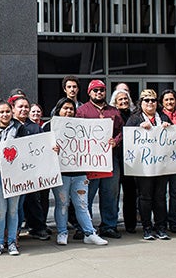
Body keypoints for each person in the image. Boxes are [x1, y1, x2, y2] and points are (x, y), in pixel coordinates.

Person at [46, 98, 108, 247]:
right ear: (58, 110)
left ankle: (89, 233)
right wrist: (51, 149)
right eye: (65, 108)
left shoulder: (83, 127)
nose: (68, 111)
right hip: (61, 174)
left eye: (71, 109)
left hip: (80, 173)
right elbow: (41, 150)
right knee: (62, 204)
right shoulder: (49, 127)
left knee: (82, 204)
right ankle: (62, 232)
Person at [77, 80, 124, 239]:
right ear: (89, 92)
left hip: (110, 160)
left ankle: (109, 226)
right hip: (90, 161)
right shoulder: (82, 111)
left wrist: (115, 141)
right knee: (87, 195)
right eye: (95, 90)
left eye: (102, 90)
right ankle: (85, 227)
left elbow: (121, 132)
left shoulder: (114, 111)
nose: (99, 93)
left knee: (110, 193)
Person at [126, 89, 172, 241]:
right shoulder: (134, 118)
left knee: (160, 197)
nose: (150, 103)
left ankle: (161, 227)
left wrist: (168, 127)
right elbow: (128, 139)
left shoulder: (163, 117)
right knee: (145, 198)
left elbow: (172, 139)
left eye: (153, 100)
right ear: (141, 102)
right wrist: (138, 128)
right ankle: (147, 228)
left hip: (161, 166)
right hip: (143, 167)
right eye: (146, 100)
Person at [0, 100, 26, 256]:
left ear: (12, 112)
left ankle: (12, 242)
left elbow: (26, 149)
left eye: (7, 111)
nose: (5, 114)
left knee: (13, 210)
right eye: (1, 112)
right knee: (0, 211)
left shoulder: (19, 128)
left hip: (15, 175)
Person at [12, 95, 50, 240]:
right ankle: (13, 230)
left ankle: (37, 228)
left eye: (26, 107)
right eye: (20, 107)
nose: (23, 109)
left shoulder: (35, 128)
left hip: (32, 172)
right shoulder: (9, 125)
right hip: (13, 173)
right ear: (13, 109)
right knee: (14, 204)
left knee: (33, 201)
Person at [161, 89, 176, 233]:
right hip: (160, 161)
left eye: (172, 99)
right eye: (166, 100)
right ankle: (162, 221)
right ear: (162, 102)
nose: (170, 102)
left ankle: (174, 221)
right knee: (161, 193)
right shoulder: (158, 117)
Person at [112, 88, 137, 233]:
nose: (124, 102)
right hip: (116, 157)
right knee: (113, 193)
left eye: (126, 99)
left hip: (131, 160)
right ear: (115, 102)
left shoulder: (135, 116)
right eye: (120, 99)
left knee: (130, 193)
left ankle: (131, 224)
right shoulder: (113, 116)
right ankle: (113, 223)